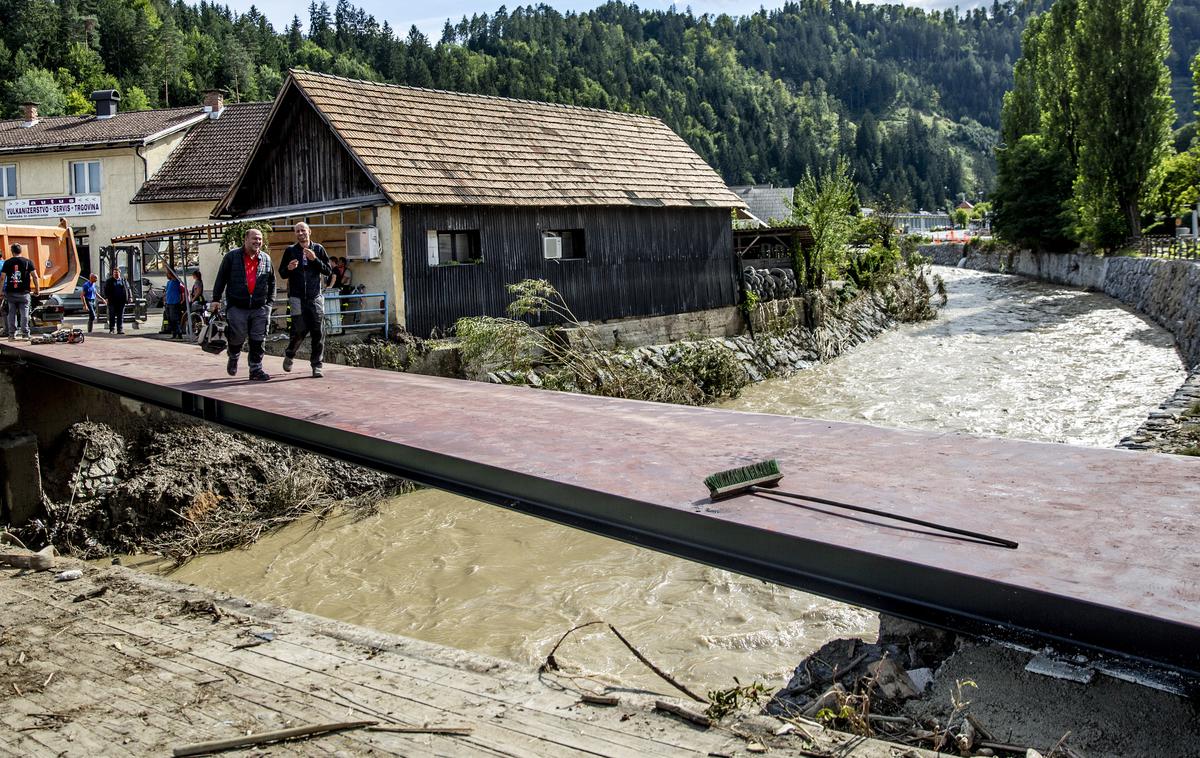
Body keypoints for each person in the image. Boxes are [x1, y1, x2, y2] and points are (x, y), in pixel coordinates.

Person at [212, 228, 275, 381]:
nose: (257, 241)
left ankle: (256, 369)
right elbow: (221, 278)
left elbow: (272, 281)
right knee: (237, 337)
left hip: (260, 307)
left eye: (259, 239)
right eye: (254, 238)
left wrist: (269, 303)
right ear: (245, 240)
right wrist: (215, 299)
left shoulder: (266, 259)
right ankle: (233, 356)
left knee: (258, 339)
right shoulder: (231, 257)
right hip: (237, 306)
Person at [279, 222, 332, 378]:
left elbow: (328, 270)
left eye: (303, 230)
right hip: (296, 297)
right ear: (295, 234)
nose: (301, 233)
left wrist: (314, 259)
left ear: (309, 231)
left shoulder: (319, 249)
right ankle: (290, 354)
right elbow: (282, 273)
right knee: (299, 330)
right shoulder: (290, 250)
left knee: (318, 331)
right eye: (297, 231)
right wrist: (288, 268)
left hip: (315, 297)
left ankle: (317, 366)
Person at [1, 243, 40, 341]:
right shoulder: (28, 262)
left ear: (12, 251)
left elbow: (2, 278)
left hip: (11, 293)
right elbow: (35, 276)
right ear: (20, 251)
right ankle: (25, 334)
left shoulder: (7, 262)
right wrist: (37, 289)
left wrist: (1, 291)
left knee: (11, 313)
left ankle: (12, 335)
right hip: (24, 293)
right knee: (24, 314)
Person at [102, 267, 130, 334]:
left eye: (117, 272)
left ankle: (120, 329)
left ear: (119, 273)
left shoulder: (123, 280)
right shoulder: (109, 281)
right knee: (112, 315)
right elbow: (105, 290)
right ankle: (112, 329)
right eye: (114, 273)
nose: (116, 274)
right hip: (112, 301)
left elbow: (128, 289)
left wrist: (130, 297)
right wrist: (106, 298)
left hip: (121, 301)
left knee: (120, 316)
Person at [163, 273, 185, 339]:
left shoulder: (176, 281)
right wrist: (165, 300)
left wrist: (167, 268)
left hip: (174, 303)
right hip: (168, 303)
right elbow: (167, 292)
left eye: (168, 274)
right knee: (169, 318)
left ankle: (179, 332)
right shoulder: (168, 282)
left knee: (174, 318)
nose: (167, 275)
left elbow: (174, 276)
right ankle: (174, 333)